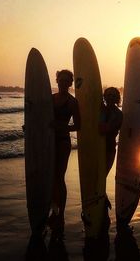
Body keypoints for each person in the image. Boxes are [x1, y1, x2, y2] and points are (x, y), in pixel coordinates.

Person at [48, 69, 80, 236]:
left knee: (59, 178)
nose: (63, 82)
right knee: (51, 177)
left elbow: (77, 126)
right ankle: (54, 211)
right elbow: (42, 117)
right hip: (49, 142)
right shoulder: (50, 99)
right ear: (57, 80)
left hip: (62, 142)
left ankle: (61, 214)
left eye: (67, 80)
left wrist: (62, 127)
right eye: (61, 79)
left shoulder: (72, 102)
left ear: (70, 83)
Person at [99, 87, 123, 176]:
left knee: (102, 176)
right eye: (108, 95)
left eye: (113, 95)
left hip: (109, 148)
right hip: (95, 146)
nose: (111, 97)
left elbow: (104, 130)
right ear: (104, 97)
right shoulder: (99, 110)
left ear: (117, 98)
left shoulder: (119, 114)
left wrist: (102, 113)